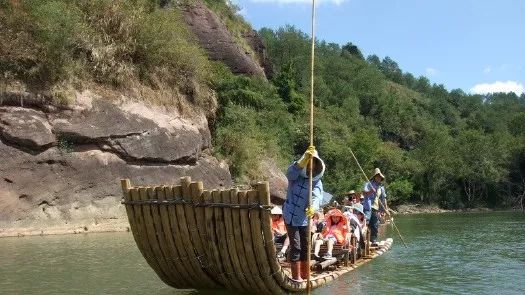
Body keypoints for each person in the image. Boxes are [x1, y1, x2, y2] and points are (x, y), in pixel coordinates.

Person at [283, 145, 325, 282]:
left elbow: (317, 197)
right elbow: (290, 173)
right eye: (309, 162)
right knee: (296, 246)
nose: (310, 166)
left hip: (305, 218)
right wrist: (303, 159)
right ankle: (296, 277)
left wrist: (313, 207)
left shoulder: (317, 181)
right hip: (290, 215)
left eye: (313, 163)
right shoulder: (295, 176)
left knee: (306, 246)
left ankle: (306, 275)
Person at [362, 168, 388, 245]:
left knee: (375, 225)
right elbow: (364, 193)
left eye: (380, 177)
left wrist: (386, 209)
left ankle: (373, 240)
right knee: (366, 223)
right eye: (377, 176)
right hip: (368, 206)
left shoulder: (381, 188)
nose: (379, 178)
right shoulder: (368, 184)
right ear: (374, 177)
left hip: (376, 208)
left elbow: (383, 199)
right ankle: (363, 240)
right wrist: (371, 191)